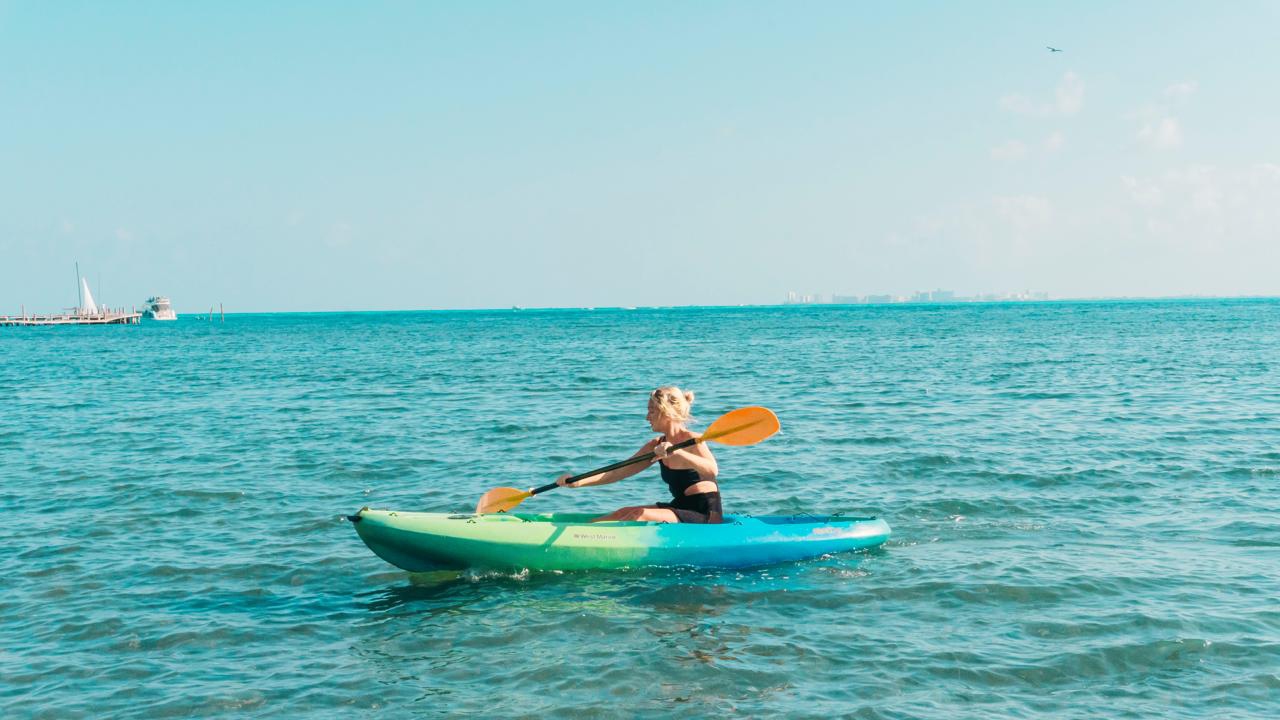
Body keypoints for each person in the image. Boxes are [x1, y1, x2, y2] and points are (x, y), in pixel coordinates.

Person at [556, 386, 723, 523]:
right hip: (679, 506)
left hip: (704, 512)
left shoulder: (693, 440)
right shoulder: (655, 446)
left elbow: (712, 470)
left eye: (651, 411)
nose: (646, 417)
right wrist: (577, 482)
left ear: (666, 411)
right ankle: (581, 534)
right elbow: (616, 472)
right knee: (622, 513)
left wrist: (678, 453)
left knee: (639, 515)